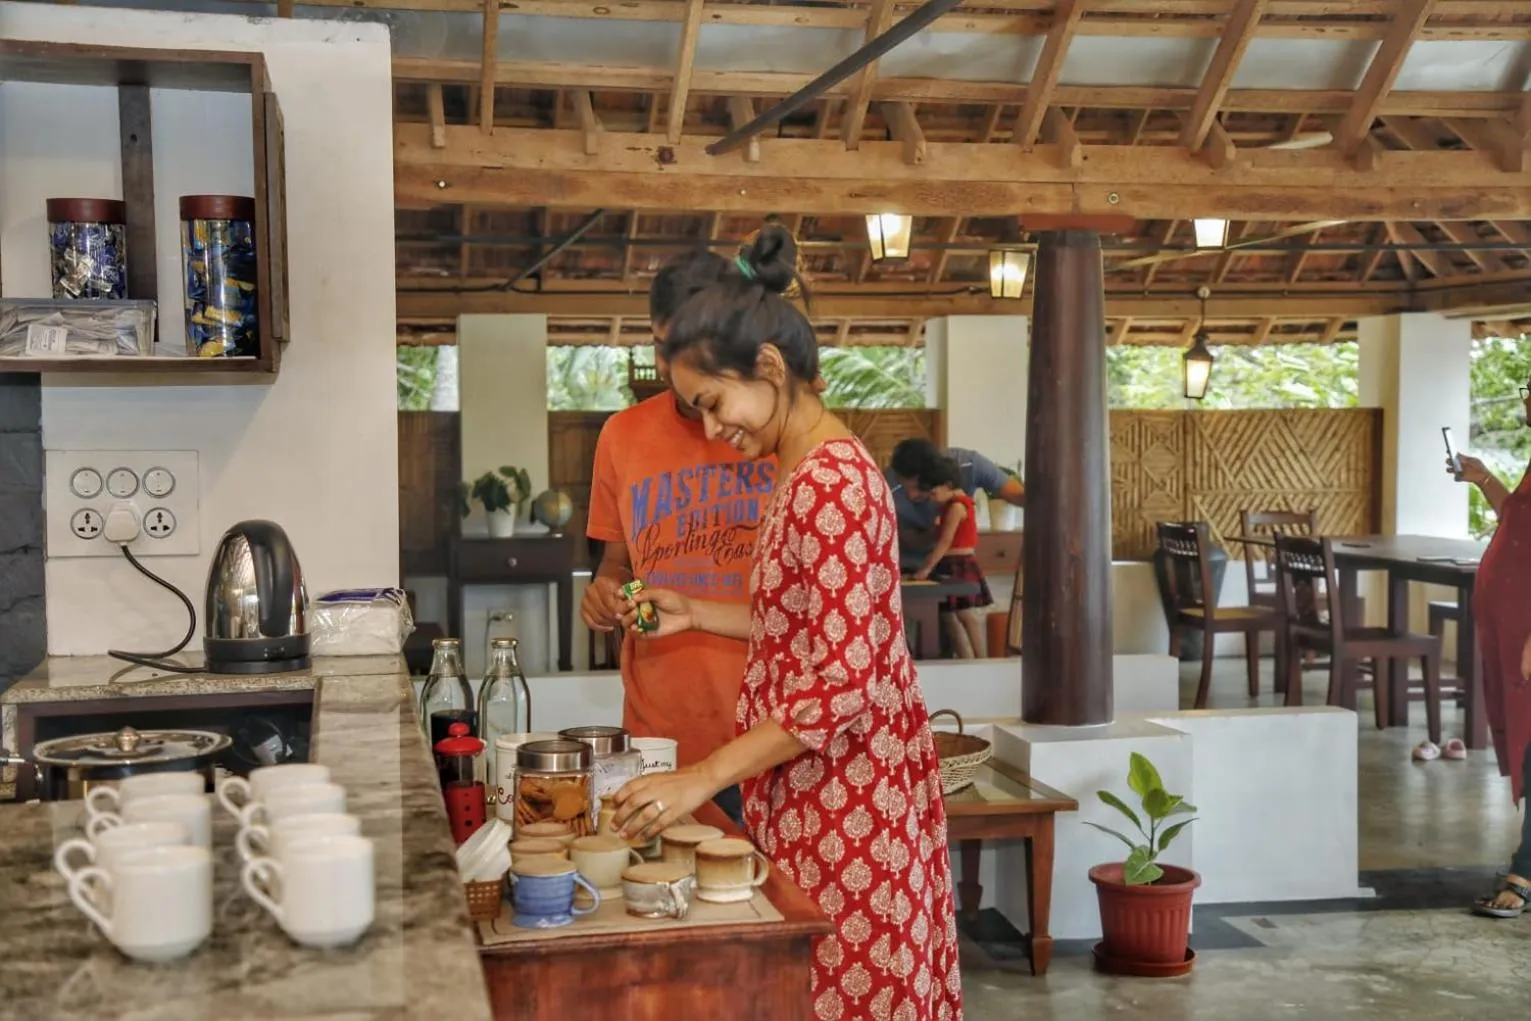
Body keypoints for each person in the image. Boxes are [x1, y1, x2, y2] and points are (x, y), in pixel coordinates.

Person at [609, 225, 963, 1020]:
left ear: (768, 368)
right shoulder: (803, 468)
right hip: (826, 800)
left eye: (712, 402)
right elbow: (802, 623)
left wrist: (699, 776)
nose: (709, 428)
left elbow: (837, 685)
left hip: (852, 810)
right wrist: (696, 610)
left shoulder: (829, 481)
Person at [579, 247, 774, 825]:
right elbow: (615, 563)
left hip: (768, 738)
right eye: (662, 348)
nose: (670, 368)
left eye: (686, 348)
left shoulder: (779, 435)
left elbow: (819, 619)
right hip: (658, 739)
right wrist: (604, 589)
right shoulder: (622, 435)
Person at [1451, 400, 1531, 919]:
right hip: (1511, 627)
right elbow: (1520, 521)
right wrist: (1485, 481)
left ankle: (1523, 871)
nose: (1526, 399)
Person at [889, 438, 1024, 573]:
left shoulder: (970, 464)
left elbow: (1019, 496)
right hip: (910, 566)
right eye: (904, 488)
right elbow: (914, 541)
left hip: (957, 564)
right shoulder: (885, 489)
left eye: (919, 487)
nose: (911, 496)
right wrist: (937, 532)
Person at [909, 455, 993, 658]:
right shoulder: (946, 507)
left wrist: (926, 569)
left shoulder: (957, 506)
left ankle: (982, 660)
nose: (930, 497)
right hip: (948, 564)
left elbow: (945, 543)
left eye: (933, 492)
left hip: (960, 563)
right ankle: (965, 660)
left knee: (966, 614)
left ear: (948, 485)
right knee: (949, 616)